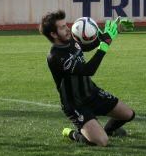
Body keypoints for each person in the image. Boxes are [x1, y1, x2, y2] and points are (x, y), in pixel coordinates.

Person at [40, 12, 135, 147]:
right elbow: (88, 70)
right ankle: (73, 134)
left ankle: (106, 131)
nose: (67, 28)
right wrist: (104, 46)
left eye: (66, 25)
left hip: (92, 93)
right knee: (101, 142)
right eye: (62, 27)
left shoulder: (71, 41)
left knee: (128, 114)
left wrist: (110, 34)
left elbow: (86, 45)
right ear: (53, 34)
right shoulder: (55, 57)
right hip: (75, 104)